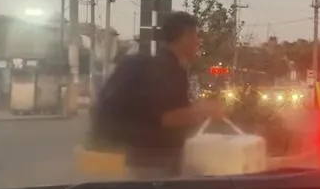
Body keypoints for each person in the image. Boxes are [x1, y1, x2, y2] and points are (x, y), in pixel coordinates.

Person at [92, 11, 225, 178]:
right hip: (154, 161)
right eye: (196, 36)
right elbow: (165, 117)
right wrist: (203, 110)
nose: (198, 42)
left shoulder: (161, 66)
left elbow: (161, 109)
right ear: (185, 38)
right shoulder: (167, 69)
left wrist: (196, 110)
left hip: (143, 156)